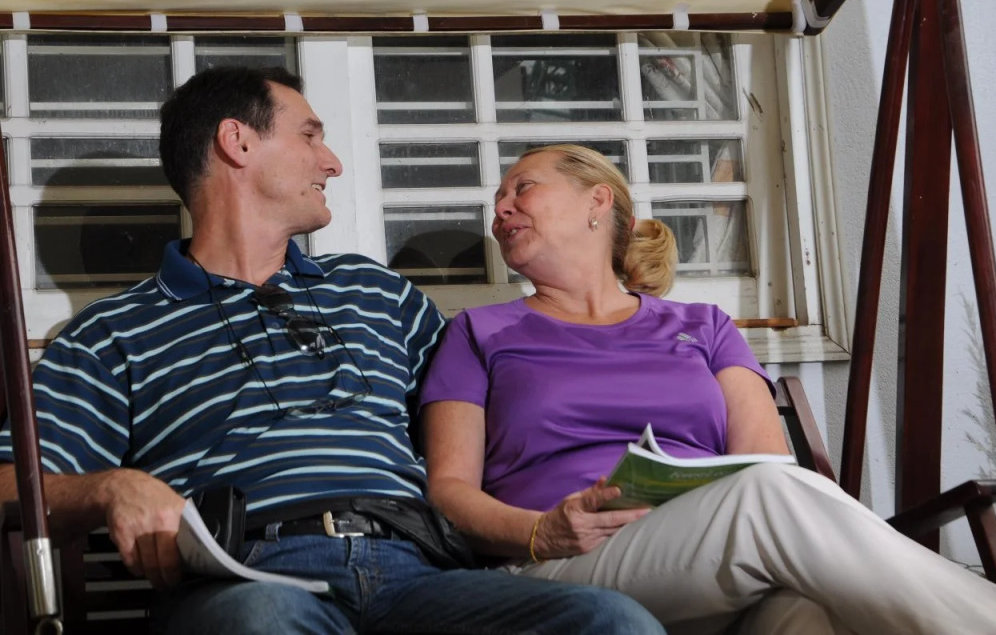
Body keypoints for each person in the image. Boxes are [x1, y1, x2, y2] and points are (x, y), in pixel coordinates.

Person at [0, 72, 666, 635]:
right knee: (262, 621)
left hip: (422, 574)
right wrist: (111, 487)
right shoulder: (115, 331)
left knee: (610, 620)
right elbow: (9, 482)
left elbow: (499, 404)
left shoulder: (377, 293)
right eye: (310, 136)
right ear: (238, 142)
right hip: (250, 575)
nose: (333, 162)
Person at [419, 143, 996, 635]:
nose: (500, 210)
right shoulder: (479, 333)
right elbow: (447, 492)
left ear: (596, 201)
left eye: (521, 188)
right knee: (769, 498)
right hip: (562, 561)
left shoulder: (704, 326)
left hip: (715, 555)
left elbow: (761, 459)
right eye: (497, 202)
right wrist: (540, 531)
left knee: (806, 613)